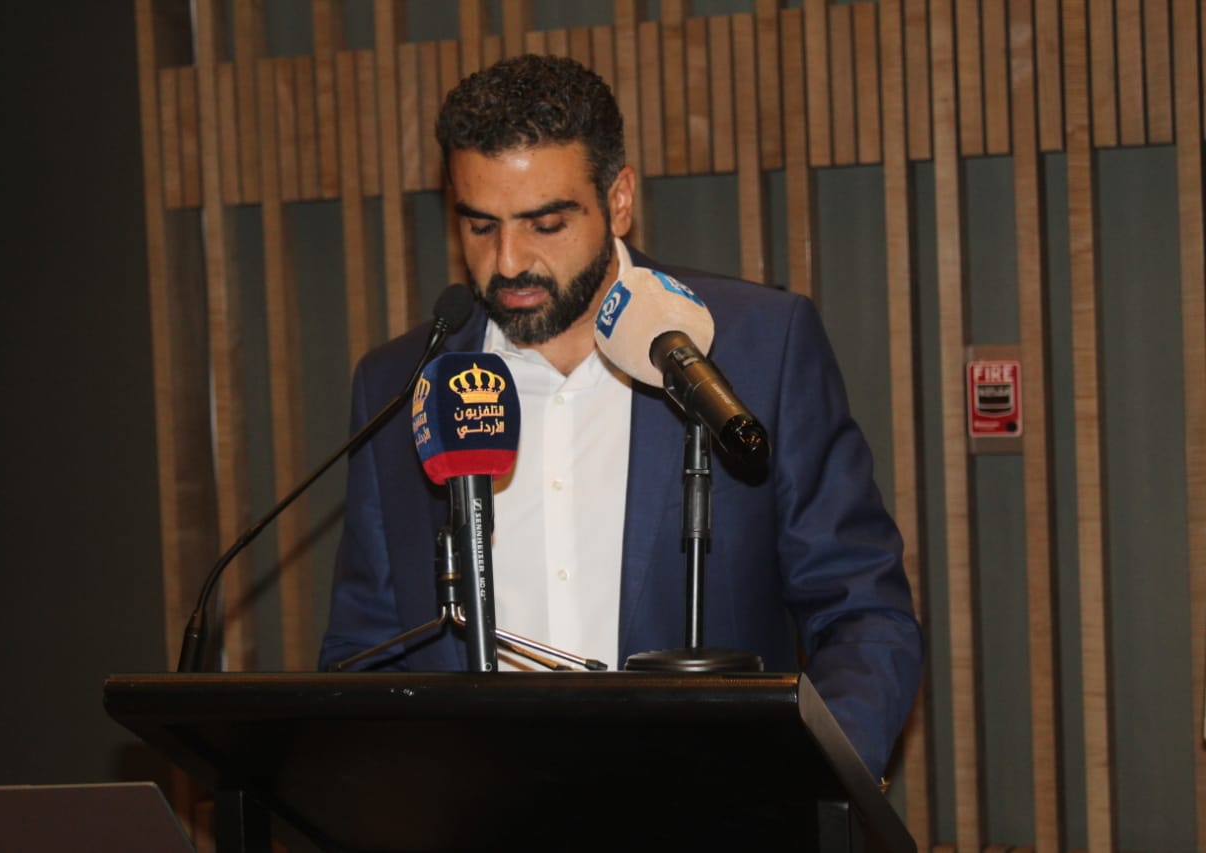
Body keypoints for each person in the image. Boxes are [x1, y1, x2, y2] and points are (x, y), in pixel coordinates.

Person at [319, 53, 922, 782]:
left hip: (718, 812)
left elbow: (861, 611)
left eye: (546, 223)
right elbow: (365, 651)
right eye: (479, 226)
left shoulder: (759, 347)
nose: (508, 261)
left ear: (620, 199)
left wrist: (815, 783)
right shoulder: (400, 383)